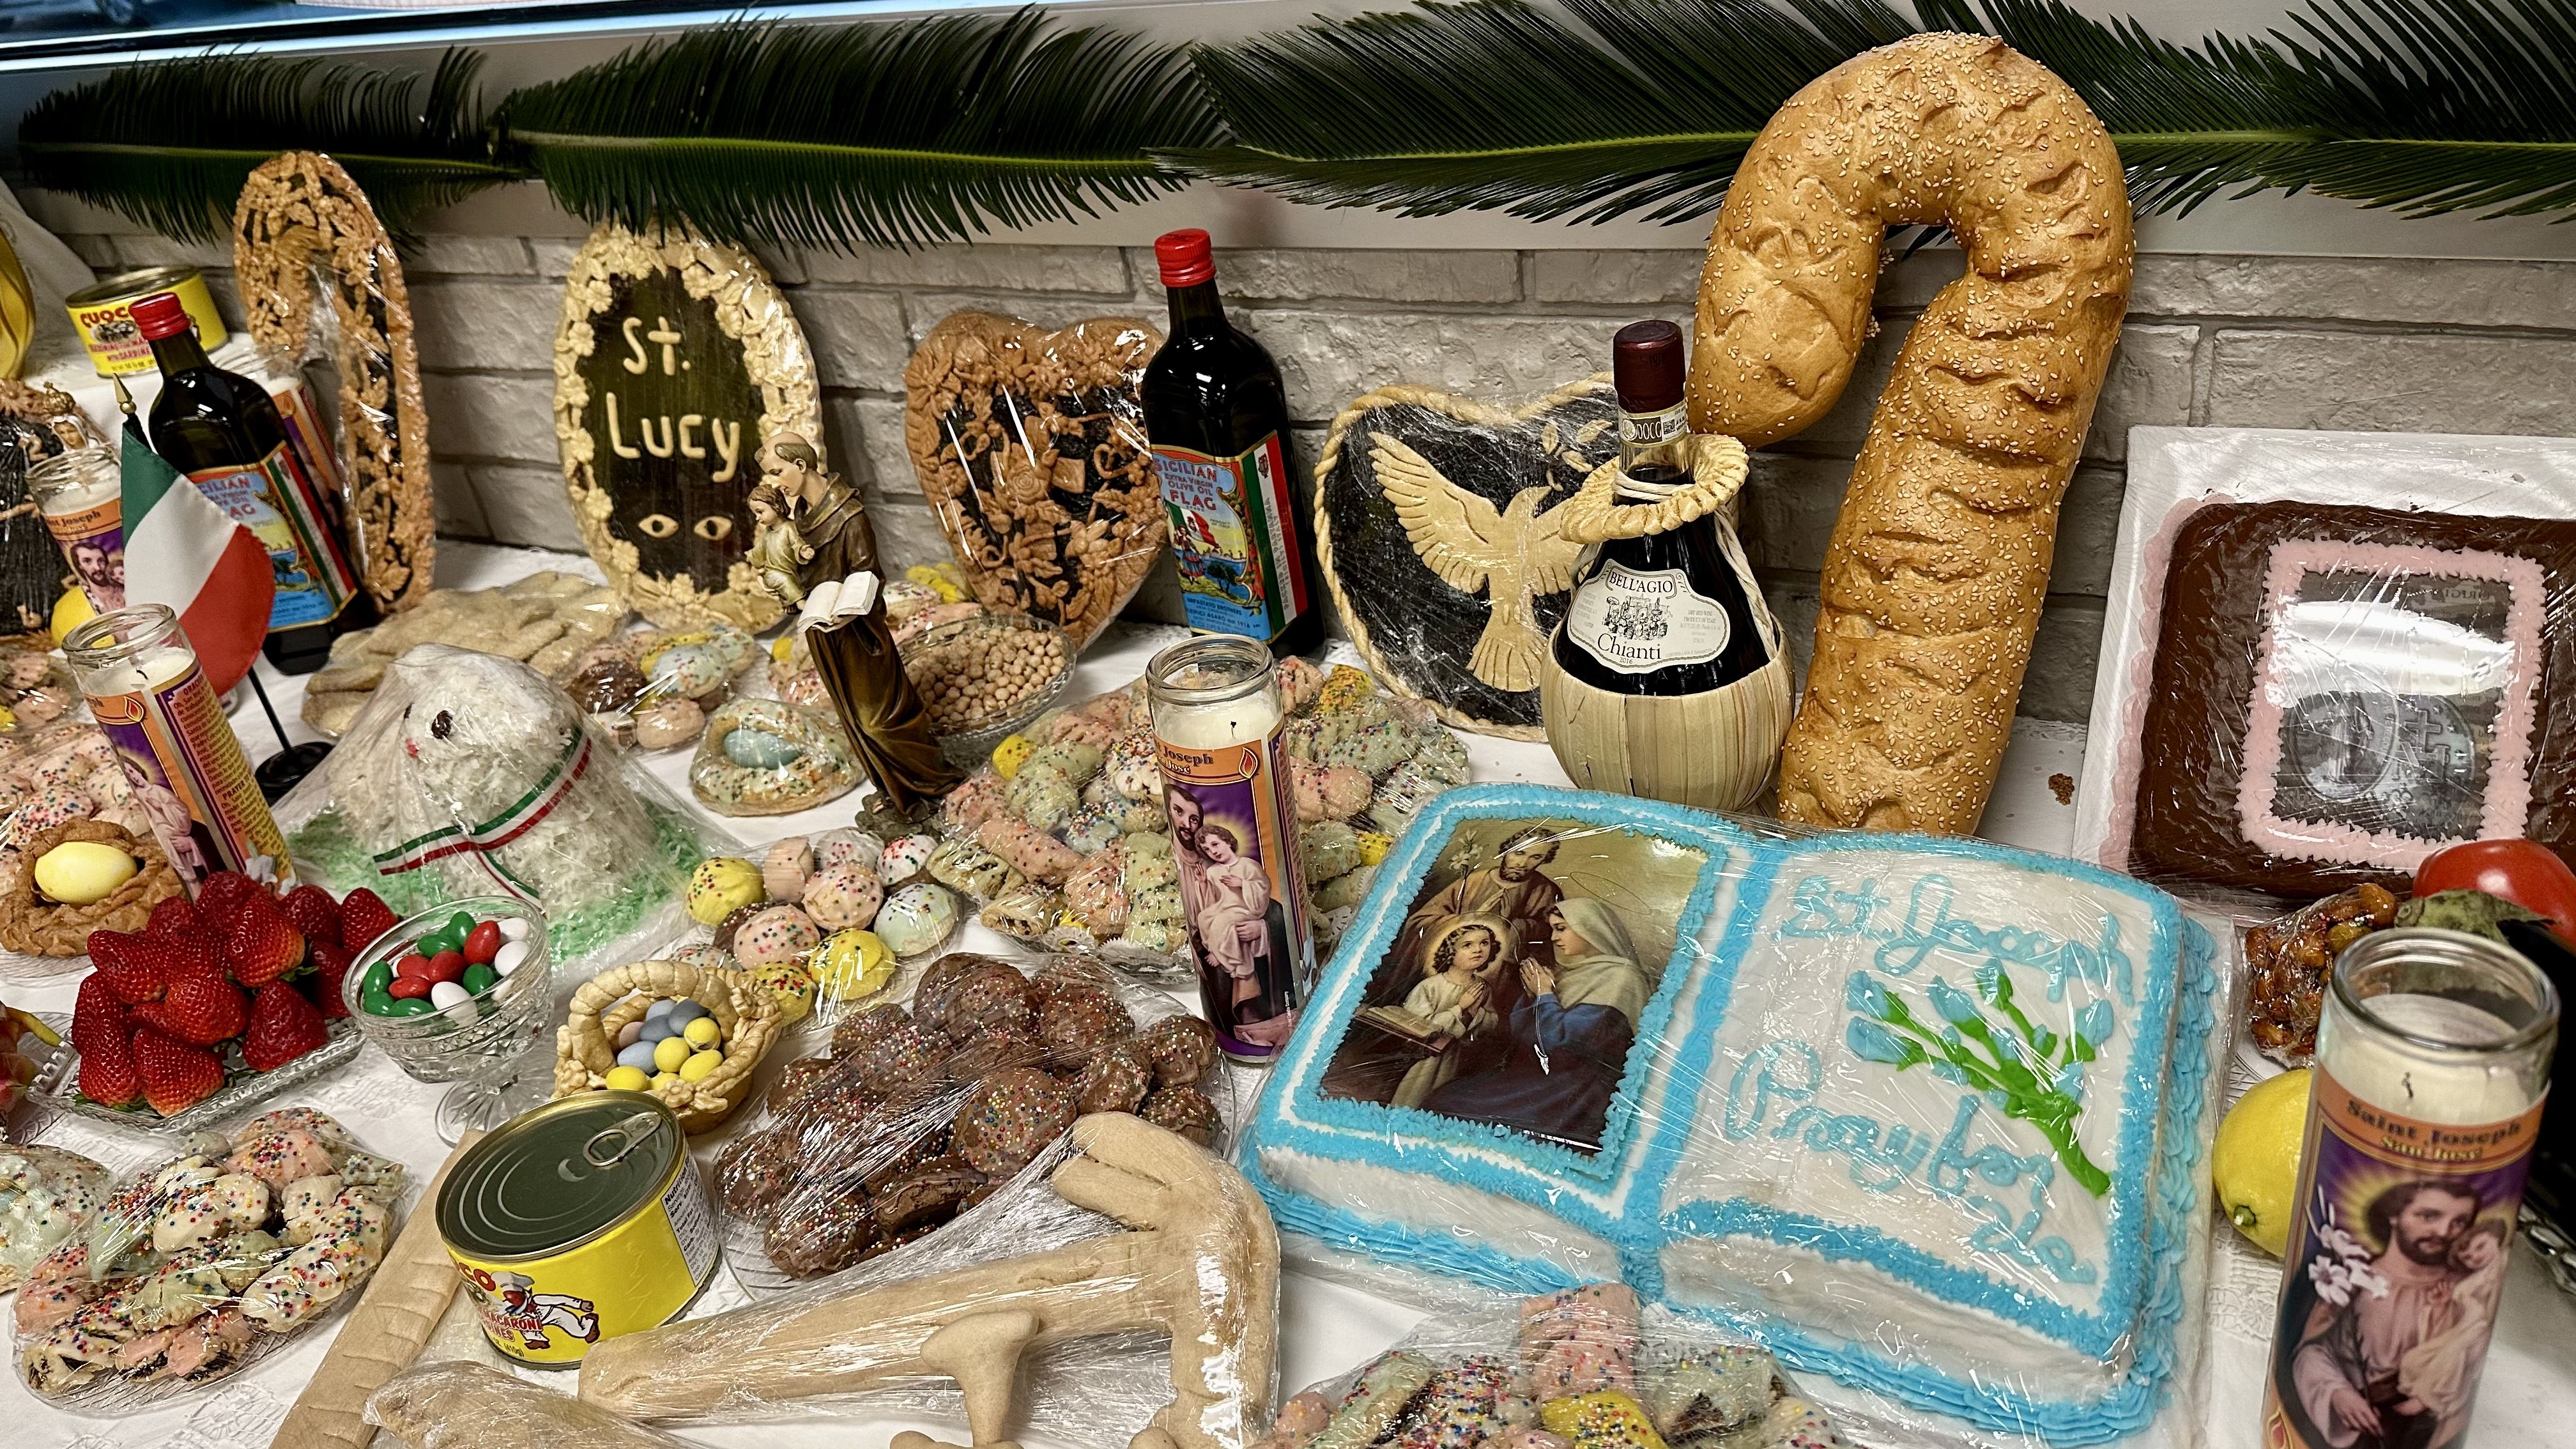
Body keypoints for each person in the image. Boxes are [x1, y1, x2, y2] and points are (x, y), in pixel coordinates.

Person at [749, 433, 958, 811]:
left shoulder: (849, 515)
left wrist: (844, 605)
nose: (774, 482)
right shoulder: (797, 516)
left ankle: (931, 783)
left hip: (858, 630)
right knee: (853, 720)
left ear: (801, 465)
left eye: (777, 472)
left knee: (879, 719)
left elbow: (867, 573)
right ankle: (895, 792)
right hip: (822, 626)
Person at [1422, 898, 1653, 1149]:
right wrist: (1534, 996)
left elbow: (1566, 1040)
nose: (1554, 937)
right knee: (1448, 1097)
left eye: (1562, 928)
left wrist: (1544, 995)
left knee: (1456, 1108)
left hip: (1576, 1089)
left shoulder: (1622, 976)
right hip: (1546, 1074)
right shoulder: (1572, 972)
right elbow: (1526, 1037)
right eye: (1553, 929)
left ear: (1590, 927)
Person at [2290, 1180, 2500, 1449]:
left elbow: (2464, 1368)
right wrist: (2338, 1392)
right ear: (2394, 1215)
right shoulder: (2353, 1280)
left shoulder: (2463, 1293)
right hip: (2354, 1427)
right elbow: (2310, 1350)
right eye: (2429, 1216)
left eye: (2460, 1222)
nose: (2445, 1232)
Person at [1391, 915, 1510, 1108]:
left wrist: (1474, 1013)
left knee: (1444, 1102)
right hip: (1425, 1060)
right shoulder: (1431, 986)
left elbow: (1491, 1024)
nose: (1478, 950)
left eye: (1484, 943)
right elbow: (1418, 1027)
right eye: (1468, 945)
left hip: (1457, 1059)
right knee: (1414, 1098)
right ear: (1450, 952)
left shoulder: (1483, 987)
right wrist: (1460, 1008)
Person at [1193, 822, 1273, 1014]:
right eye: (1207, 850)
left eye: (1215, 844)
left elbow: (1262, 888)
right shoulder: (1213, 872)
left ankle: (1221, 956)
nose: (1212, 852)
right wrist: (1204, 884)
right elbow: (1210, 902)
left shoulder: (1248, 865)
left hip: (1245, 910)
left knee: (1222, 922)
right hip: (1224, 908)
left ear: (1228, 841)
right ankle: (1216, 948)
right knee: (1205, 918)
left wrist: (1242, 884)